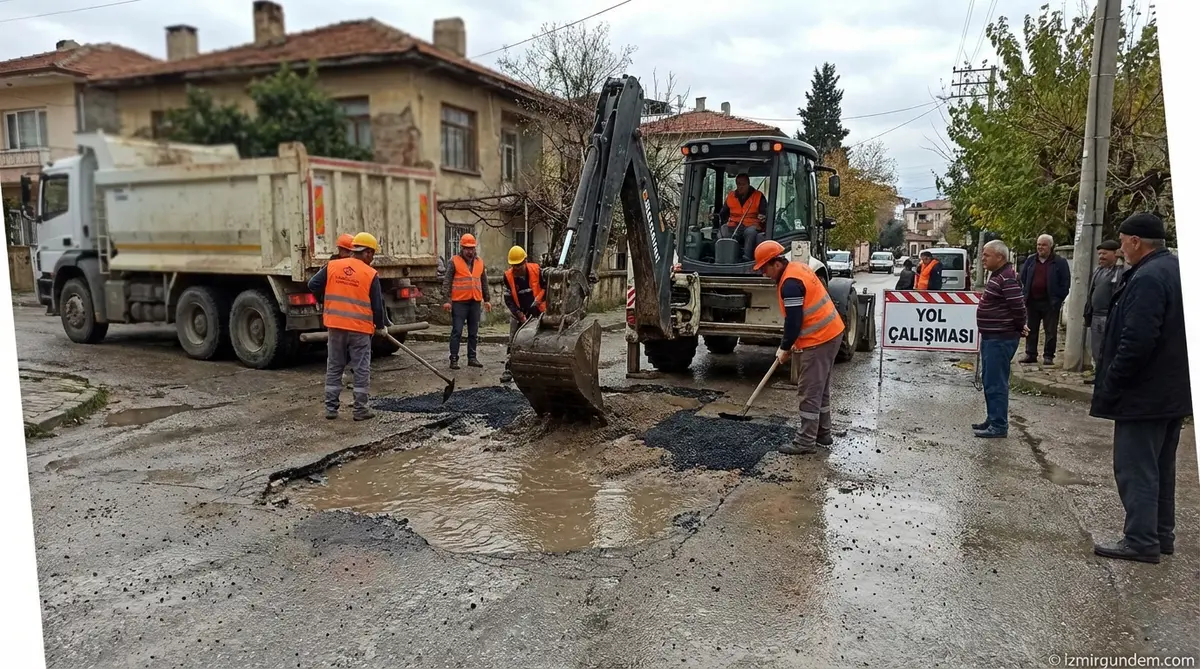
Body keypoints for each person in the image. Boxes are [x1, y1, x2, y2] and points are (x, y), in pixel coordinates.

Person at [1090, 213, 1190, 564]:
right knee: (1161, 467)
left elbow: (1137, 341)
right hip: (1172, 392)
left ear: (1135, 241)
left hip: (1144, 394)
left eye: (1122, 241)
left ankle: (1141, 539)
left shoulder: (1147, 278)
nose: (1120, 249)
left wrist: (1113, 380)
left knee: (1136, 467)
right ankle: (1161, 535)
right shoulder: (1175, 270)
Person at [753, 240, 846, 455]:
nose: (763, 274)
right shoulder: (796, 268)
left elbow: (794, 322)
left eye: (764, 269)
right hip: (831, 334)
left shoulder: (790, 283)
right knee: (820, 389)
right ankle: (823, 434)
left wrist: (784, 347)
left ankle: (805, 441)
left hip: (820, 339)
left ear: (775, 263)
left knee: (809, 391)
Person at [308, 232, 388, 421]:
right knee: (361, 368)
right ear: (367, 252)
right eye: (373, 254)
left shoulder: (332, 266)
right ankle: (360, 410)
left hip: (335, 326)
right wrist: (381, 326)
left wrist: (325, 297)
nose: (373, 258)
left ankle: (330, 409)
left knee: (335, 366)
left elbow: (313, 284)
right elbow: (377, 304)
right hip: (359, 329)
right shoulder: (370, 273)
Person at [972, 240, 1029, 439]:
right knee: (989, 380)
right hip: (992, 337)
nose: (983, 258)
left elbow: (1018, 307)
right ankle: (993, 418)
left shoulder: (1007, 278)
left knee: (996, 382)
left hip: (1000, 338)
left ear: (1000, 257)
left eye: (987, 255)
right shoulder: (998, 276)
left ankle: (999, 425)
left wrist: (1020, 326)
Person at [1018, 234, 1071, 365]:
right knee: (1031, 329)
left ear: (1050, 246)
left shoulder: (1059, 262)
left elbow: (1065, 282)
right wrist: (1026, 293)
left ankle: (1048, 356)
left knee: (1051, 331)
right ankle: (1030, 354)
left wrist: (1058, 298)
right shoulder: (1031, 260)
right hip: (1032, 301)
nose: (1040, 247)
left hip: (1050, 302)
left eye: (1043, 245)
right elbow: (1022, 277)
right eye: (1038, 245)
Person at [441, 233, 491, 370]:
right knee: (457, 331)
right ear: (462, 248)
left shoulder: (480, 262)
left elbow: (484, 281)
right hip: (459, 302)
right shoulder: (454, 261)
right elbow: (447, 281)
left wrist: (487, 299)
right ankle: (454, 358)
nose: (470, 251)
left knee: (473, 332)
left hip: (475, 301)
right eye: (467, 248)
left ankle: (472, 358)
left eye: (472, 248)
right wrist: (447, 300)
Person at [499, 245, 545, 383]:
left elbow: (546, 288)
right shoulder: (508, 276)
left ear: (525, 261)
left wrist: (538, 301)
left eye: (519, 265)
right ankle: (509, 368)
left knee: (538, 341)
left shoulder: (537, 270)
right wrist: (519, 315)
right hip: (519, 311)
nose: (516, 268)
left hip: (537, 311)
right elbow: (508, 299)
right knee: (513, 340)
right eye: (514, 266)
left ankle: (536, 370)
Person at [1084, 239, 1125, 372]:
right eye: (1100, 254)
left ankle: (1107, 375)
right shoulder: (1099, 271)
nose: (1101, 257)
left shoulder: (1120, 271)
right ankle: (1098, 374)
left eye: (1104, 253)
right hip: (1095, 316)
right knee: (1096, 348)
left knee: (1109, 349)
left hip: (1108, 316)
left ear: (1115, 254)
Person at [716, 173, 768, 262]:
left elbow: (764, 212)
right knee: (723, 231)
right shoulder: (731, 196)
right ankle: (724, 258)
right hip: (734, 225)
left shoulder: (758, 196)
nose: (740, 187)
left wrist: (762, 218)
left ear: (748, 184)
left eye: (743, 184)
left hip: (751, 225)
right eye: (738, 184)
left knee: (750, 233)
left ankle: (747, 258)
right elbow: (723, 213)